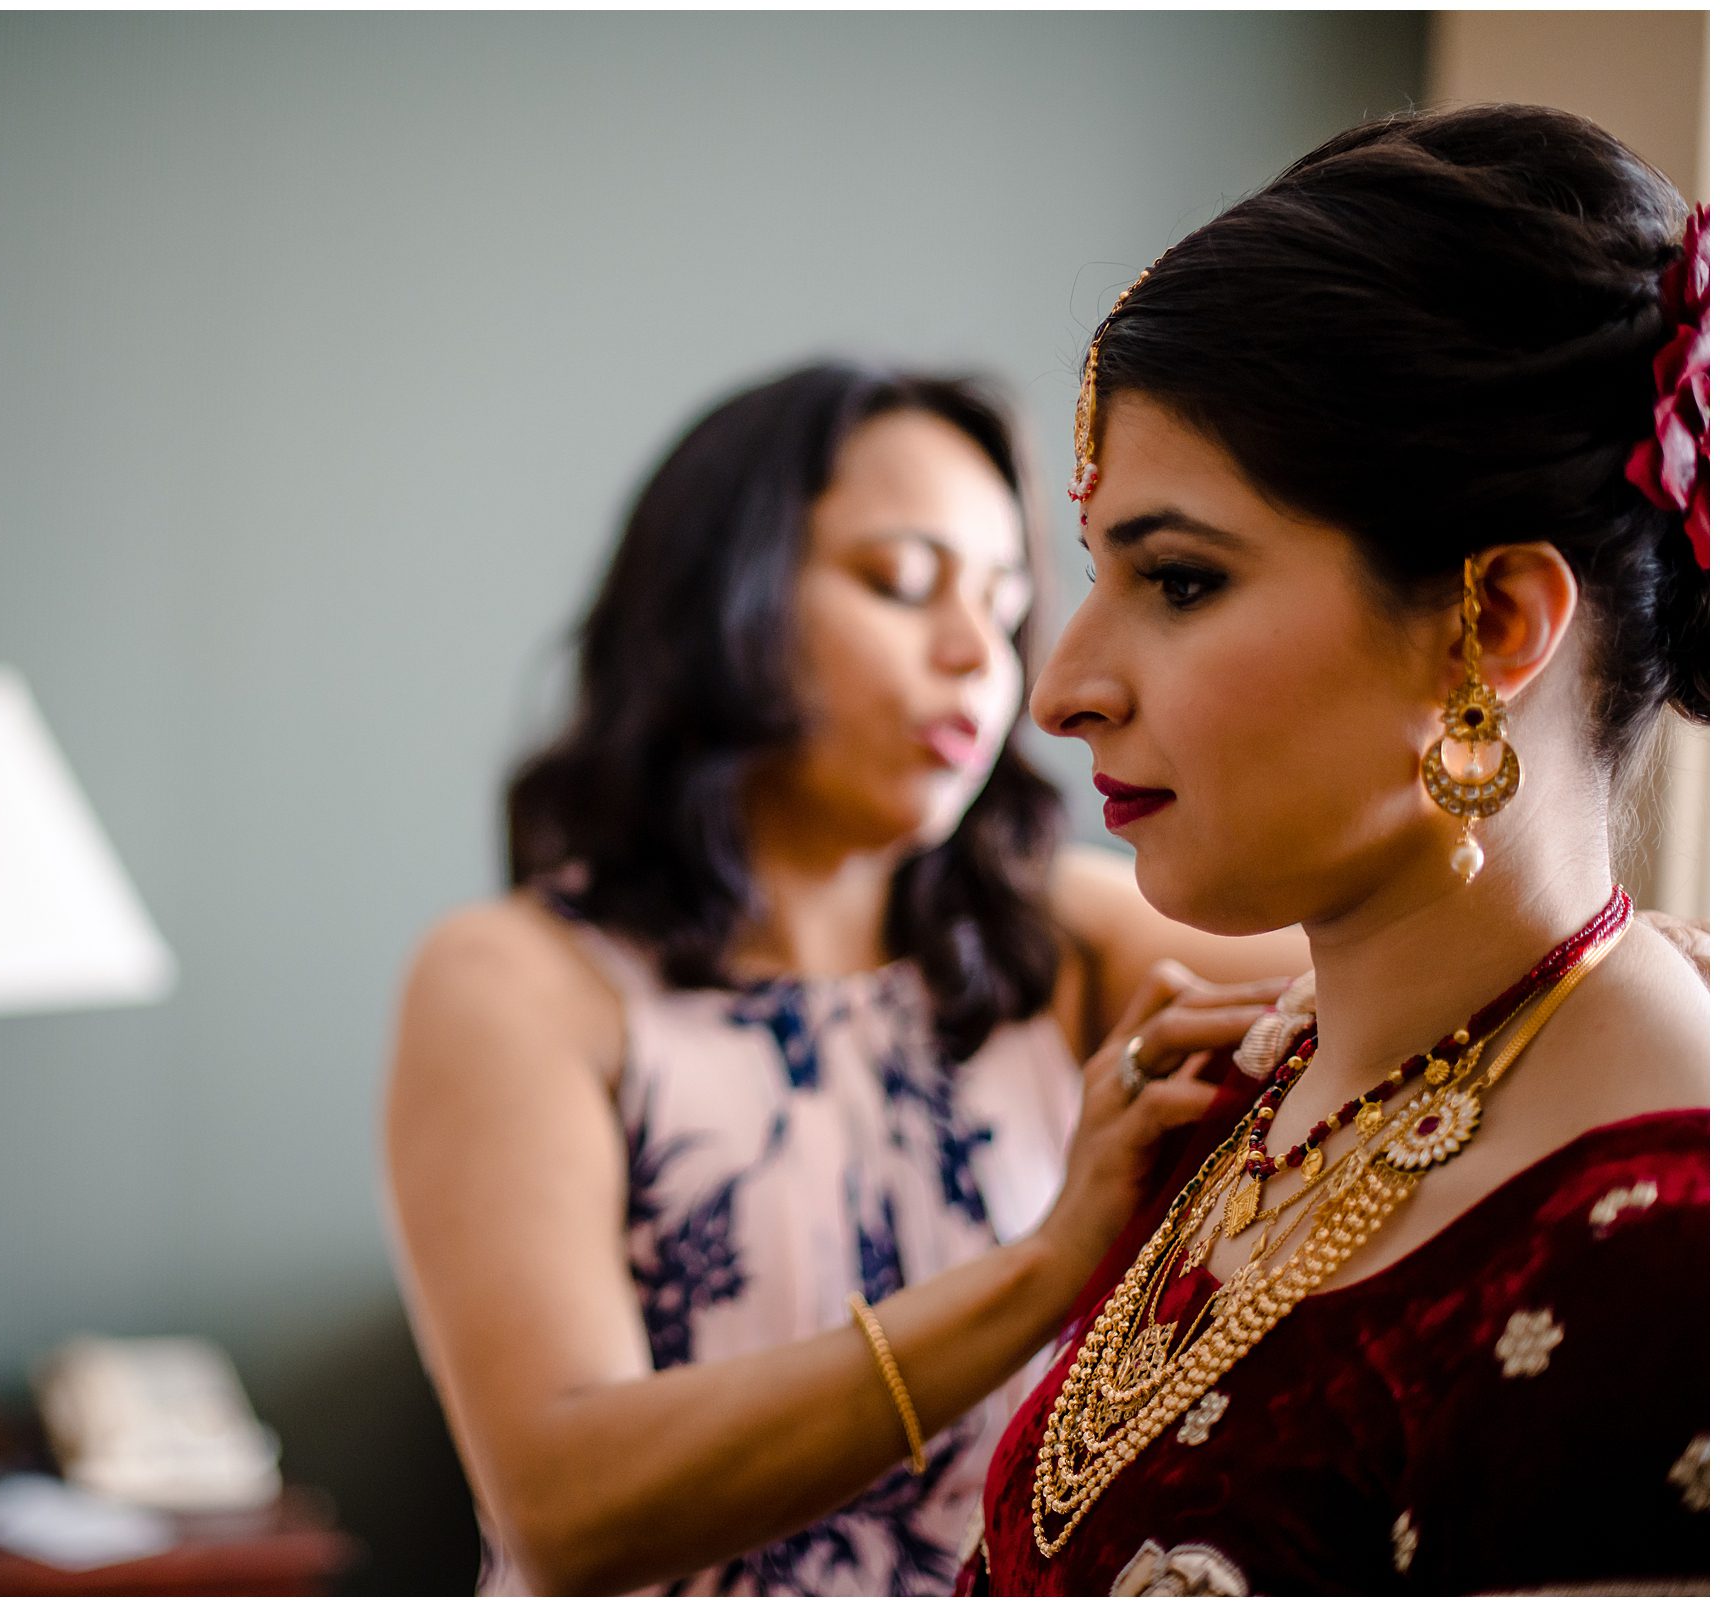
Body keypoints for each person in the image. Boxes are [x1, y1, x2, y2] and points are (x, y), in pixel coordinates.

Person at [381, 363, 1315, 1595]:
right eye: (903, 583)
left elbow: (1415, 965)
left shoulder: (1064, 934)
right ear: (726, 598)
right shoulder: (522, 980)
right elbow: (563, 1503)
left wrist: (1635, 945)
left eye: (1005, 598)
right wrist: (1046, 1263)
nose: (981, 654)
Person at [964, 104, 1710, 1594]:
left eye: (1179, 579)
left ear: (1491, 625)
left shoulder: (1660, 1258)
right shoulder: (1239, 1096)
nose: (1059, 687)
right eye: (1097, 572)